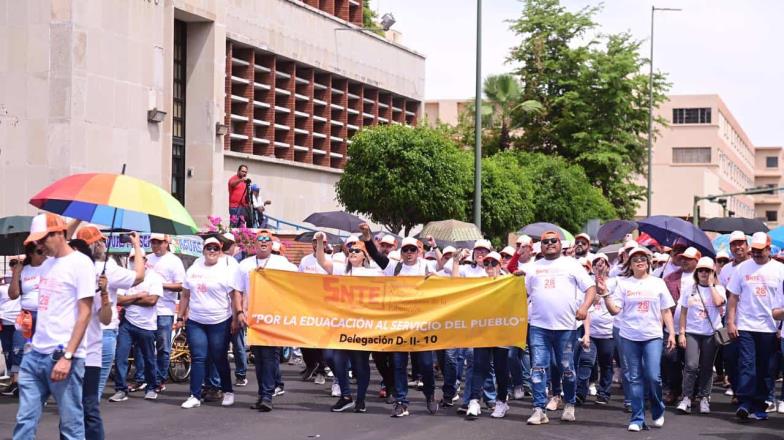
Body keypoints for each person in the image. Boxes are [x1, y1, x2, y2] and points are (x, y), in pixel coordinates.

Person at [13, 213, 96, 440]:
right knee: (24, 420)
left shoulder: (81, 263)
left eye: (42, 239)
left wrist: (67, 356)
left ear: (59, 234)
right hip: (35, 354)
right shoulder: (47, 264)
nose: (39, 245)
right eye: (36, 241)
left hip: (63, 356)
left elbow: (85, 312)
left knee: (71, 425)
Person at [358, 223, 439, 417]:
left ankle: (429, 395)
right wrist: (368, 237)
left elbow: (443, 288)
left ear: (418, 251)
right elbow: (377, 256)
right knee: (398, 364)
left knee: (426, 365)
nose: (409, 252)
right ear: (401, 252)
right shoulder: (395, 267)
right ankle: (401, 401)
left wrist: (435, 280)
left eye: (413, 249)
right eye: (406, 249)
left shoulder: (427, 266)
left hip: (422, 324)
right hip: (399, 325)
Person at [601, 246, 675, 432]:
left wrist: (672, 333)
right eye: (635, 259)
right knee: (634, 377)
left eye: (643, 258)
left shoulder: (658, 283)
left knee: (652, 376)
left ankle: (658, 410)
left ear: (649, 262)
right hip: (629, 336)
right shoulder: (624, 284)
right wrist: (605, 295)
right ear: (630, 264)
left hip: (652, 335)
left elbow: (665, 310)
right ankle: (637, 418)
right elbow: (614, 310)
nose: (639, 261)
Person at [525, 230, 596, 425]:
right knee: (538, 368)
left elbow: (591, 288)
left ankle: (570, 404)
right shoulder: (533, 267)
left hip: (566, 328)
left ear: (560, 243)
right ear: (540, 246)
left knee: (567, 368)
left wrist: (584, 308)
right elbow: (525, 293)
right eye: (545, 241)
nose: (549, 244)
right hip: (538, 327)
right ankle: (539, 409)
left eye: (553, 240)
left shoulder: (572, 264)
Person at [313, 232, 381, 412]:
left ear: (365, 256)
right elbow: (321, 261)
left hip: (362, 326)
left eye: (357, 250)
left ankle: (360, 399)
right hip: (340, 325)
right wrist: (320, 242)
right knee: (331, 357)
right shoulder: (341, 270)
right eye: (350, 250)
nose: (352, 252)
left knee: (360, 364)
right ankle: (345, 395)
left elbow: (395, 287)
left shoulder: (372, 273)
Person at [75, 226, 145, 398]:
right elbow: (139, 276)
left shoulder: (73, 267)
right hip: (102, 331)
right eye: (102, 241)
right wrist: (136, 245)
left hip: (78, 332)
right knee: (93, 392)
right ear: (96, 244)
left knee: (77, 390)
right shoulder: (107, 268)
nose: (105, 245)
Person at [178, 237, 243, 409]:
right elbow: (185, 294)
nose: (212, 251)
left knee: (219, 357)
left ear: (220, 249)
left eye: (215, 248)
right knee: (198, 358)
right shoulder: (194, 267)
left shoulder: (226, 268)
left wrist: (236, 317)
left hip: (220, 320)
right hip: (196, 320)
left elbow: (234, 295)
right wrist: (180, 317)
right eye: (208, 248)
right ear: (203, 250)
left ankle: (228, 391)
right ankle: (194, 395)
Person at [726, 232, 784, 420]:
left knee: (766, 368)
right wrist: (730, 322)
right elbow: (733, 297)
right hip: (746, 325)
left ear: (769, 249)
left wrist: (780, 328)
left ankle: (761, 404)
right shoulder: (742, 268)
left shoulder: (779, 270)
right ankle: (745, 402)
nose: (758, 254)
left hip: (770, 327)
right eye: (755, 251)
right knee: (747, 365)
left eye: (761, 250)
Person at [238, 230, 298, 412]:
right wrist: (240, 312)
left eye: (267, 240)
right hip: (254, 317)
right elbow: (239, 290)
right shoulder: (245, 264)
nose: (263, 242)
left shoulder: (282, 263)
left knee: (271, 356)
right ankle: (262, 393)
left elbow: (298, 282)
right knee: (259, 358)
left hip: (273, 316)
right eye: (260, 239)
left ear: (272, 245)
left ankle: (267, 396)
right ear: (254, 244)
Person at [451, 250, 514, 419]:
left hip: (502, 331)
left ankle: (501, 402)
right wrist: (455, 263)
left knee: (501, 369)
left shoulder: (508, 281)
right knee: (479, 366)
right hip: (482, 331)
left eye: (494, 263)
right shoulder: (479, 283)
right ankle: (474, 401)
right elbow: (456, 286)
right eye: (487, 263)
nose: (490, 267)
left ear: (500, 265)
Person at [66, 238, 114, 440]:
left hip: (90, 355)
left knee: (89, 407)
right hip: (66, 355)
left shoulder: (94, 283)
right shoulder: (63, 282)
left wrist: (104, 292)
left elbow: (105, 319)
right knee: (68, 409)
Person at [110, 249, 163, 404]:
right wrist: (138, 296)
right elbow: (117, 299)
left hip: (146, 325)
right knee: (120, 356)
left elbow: (152, 301)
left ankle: (152, 387)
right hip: (127, 322)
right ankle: (121, 389)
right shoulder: (126, 277)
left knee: (148, 358)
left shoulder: (154, 278)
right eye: (132, 258)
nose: (135, 261)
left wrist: (129, 299)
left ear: (145, 261)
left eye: (138, 258)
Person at [135, 233, 185, 394]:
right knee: (142, 345)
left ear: (166, 243)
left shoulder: (174, 261)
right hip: (146, 308)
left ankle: (159, 379)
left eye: (159, 242)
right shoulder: (147, 259)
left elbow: (181, 286)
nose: (155, 245)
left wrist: (159, 285)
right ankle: (141, 378)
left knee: (163, 346)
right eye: (153, 242)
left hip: (164, 309)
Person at [676, 256, 726, 415]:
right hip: (692, 332)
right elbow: (683, 312)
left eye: (708, 270)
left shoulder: (719, 289)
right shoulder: (689, 289)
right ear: (696, 272)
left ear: (713, 272)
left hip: (711, 334)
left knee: (706, 366)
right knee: (691, 365)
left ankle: (704, 397)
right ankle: (687, 397)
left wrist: (711, 285)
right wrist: (681, 333)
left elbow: (719, 303)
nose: (704, 273)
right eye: (701, 270)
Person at [6, 242, 48, 397]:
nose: (43, 254)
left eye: (45, 251)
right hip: (27, 315)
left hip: (46, 315)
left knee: (45, 351)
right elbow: (13, 295)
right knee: (20, 349)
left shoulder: (51, 267)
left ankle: (43, 386)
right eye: (39, 251)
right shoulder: (24, 270)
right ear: (31, 254)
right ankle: (21, 383)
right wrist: (16, 273)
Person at [576, 253, 615, 405]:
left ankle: (604, 393)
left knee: (606, 364)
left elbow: (618, 307)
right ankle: (580, 393)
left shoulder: (615, 283)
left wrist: (605, 294)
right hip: (590, 331)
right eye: (596, 262)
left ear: (608, 266)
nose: (599, 264)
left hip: (608, 332)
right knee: (586, 361)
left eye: (603, 262)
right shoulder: (587, 285)